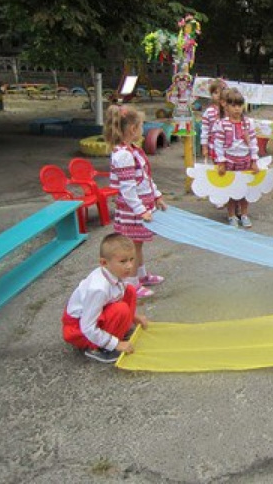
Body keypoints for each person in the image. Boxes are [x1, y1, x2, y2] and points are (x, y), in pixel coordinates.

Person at [105, 104, 167, 299]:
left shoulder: (133, 150)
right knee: (131, 247)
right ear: (133, 129)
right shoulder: (123, 155)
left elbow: (146, 178)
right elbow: (128, 189)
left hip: (141, 207)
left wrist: (156, 195)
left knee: (138, 245)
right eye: (141, 126)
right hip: (132, 211)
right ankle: (132, 287)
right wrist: (141, 210)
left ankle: (142, 275)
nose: (142, 130)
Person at [62, 234, 149, 363]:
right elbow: (87, 327)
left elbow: (118, 294)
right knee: (121, 309)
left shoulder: (114, 272)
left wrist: (133, 317)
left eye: (132, 259)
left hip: (94, 318)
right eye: (123, 261)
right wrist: (115, 344)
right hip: (79, 330)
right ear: (104, 263)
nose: (130, 266)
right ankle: (98, 348)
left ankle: (117, 332)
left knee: (129, 290)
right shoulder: (98, 289)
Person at [213, 87, 260, 227]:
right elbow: (218, 144)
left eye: (239, 105)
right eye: (233, 105)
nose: (237, 109)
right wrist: (221, 162)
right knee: (231, 190)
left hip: (245, 161)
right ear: (226, 106)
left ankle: (244, 214)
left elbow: (253, 143)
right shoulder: (222, 124)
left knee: (245, 190)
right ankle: (231, 215)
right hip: (230, 161)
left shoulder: (248, 123)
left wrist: (254, 160)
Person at [200, 78, 227, 161]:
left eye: (221, 93)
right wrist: (204, 147)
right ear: (211, 94)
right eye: (215, 93)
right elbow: (204, 131)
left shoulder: (229, 110)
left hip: (228, 146)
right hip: (214, 145)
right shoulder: (208, 112)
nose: (219, 95)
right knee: (216, 168)